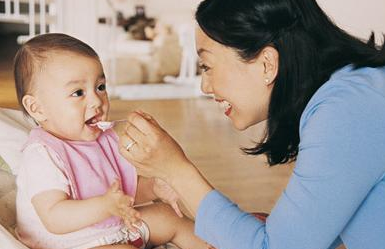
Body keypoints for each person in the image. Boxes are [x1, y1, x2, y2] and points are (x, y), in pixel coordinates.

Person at [118, 0, 385, 249]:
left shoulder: (345, 111)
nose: (205, 86)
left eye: (206, 66)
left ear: (267, 64)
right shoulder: (355, 94)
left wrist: (174, 169)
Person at [13, 33, 211, 249]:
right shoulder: (42, 155)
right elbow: (54, 218)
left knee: (169, 216)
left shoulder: (103, 139)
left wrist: (155, 187)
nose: (97, 100)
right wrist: (105, 206)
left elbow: (124, 192)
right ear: (37, 108)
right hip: (70, 244)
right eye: (78, 92)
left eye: (100, 87)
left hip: (113, 229)